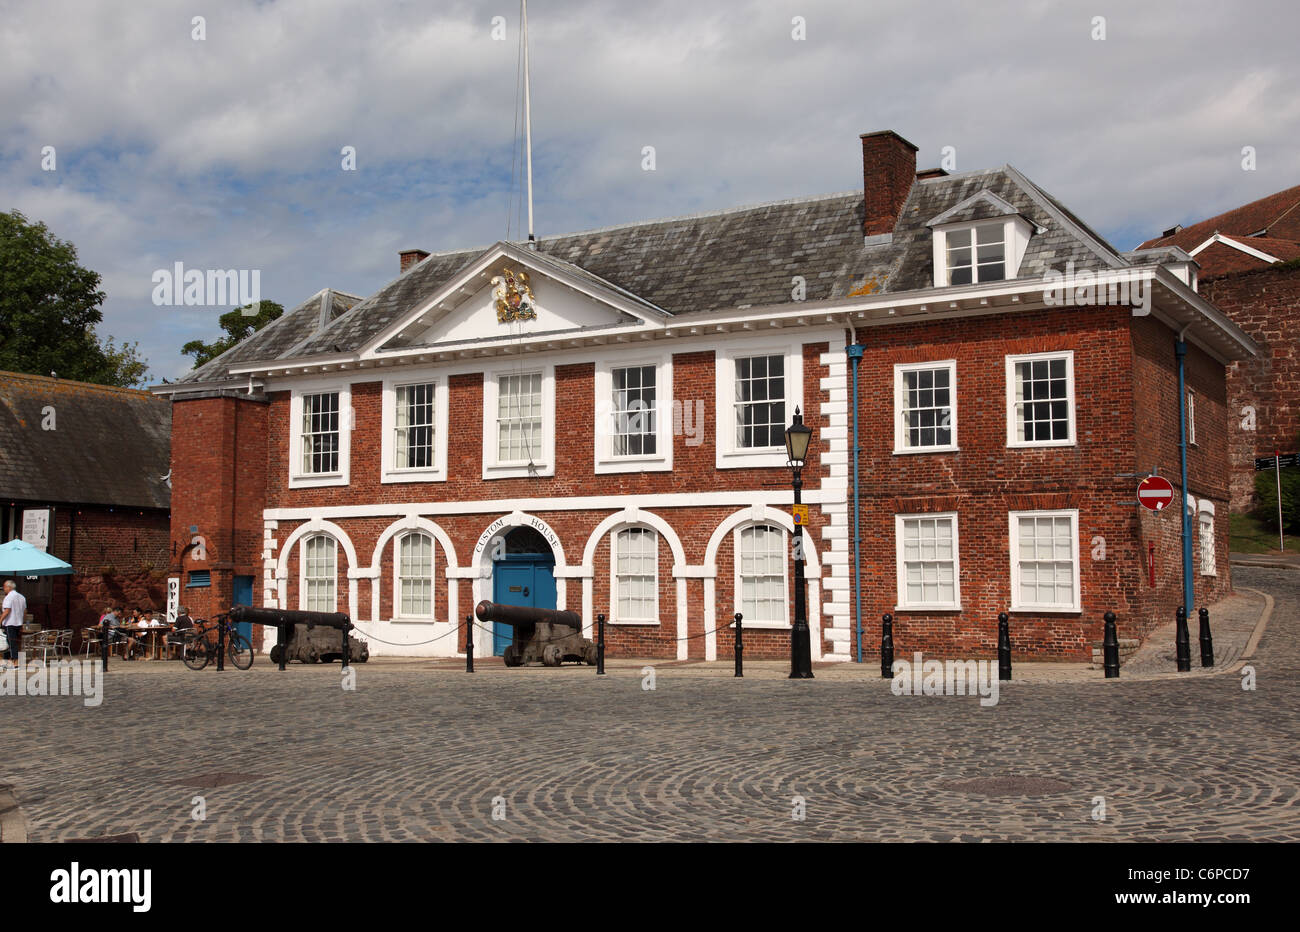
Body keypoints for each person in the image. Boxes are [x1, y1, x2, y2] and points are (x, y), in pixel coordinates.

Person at [1, 579, 28, 665]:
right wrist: (23, 622)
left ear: (9, 587)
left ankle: (15, 662)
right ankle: (7, 661)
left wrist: (0, 620)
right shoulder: (22, 597)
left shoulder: (9, 597)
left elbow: (7, 610)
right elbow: (25, 611)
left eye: (4, 587)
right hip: (18, 623)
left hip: (10, 623)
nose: (4, 589)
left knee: (11, 643)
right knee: (13, 643)